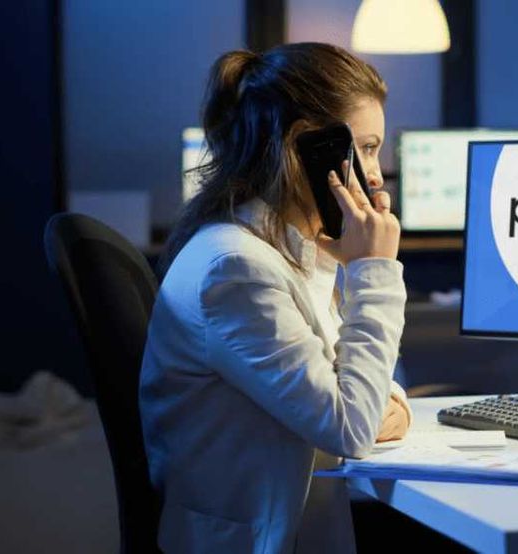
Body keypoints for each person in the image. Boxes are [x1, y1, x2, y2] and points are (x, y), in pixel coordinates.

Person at [139, 43, 411, 553]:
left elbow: (364, 392)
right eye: (367, 147)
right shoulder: (235, 270)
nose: (377, 173)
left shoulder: (287, 251)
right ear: (309, 145)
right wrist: (373, 270)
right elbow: (353, 427)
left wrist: (381, 403)